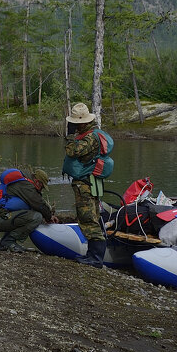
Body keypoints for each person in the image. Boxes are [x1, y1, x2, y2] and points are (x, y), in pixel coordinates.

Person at [62, 102, 115, 267]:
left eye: (76, 124)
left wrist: (70, 136)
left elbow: (72, 151)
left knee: (88, 218)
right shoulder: (92, 134)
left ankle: (96, 258)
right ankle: (93, 255)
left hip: (86, 183)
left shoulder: (90, 137)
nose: (75, 127)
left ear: (83, 122)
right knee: (92, 217)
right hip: (90, 182)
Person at [0, 168, 59, 252]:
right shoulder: (27, 186)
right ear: (37, 182)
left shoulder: (24, 182)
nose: (41, 190)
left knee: (28, 214)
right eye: (42, 187)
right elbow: (39, 204)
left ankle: (6, 241)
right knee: (37, 217)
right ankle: (8, 241)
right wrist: (49, 217)